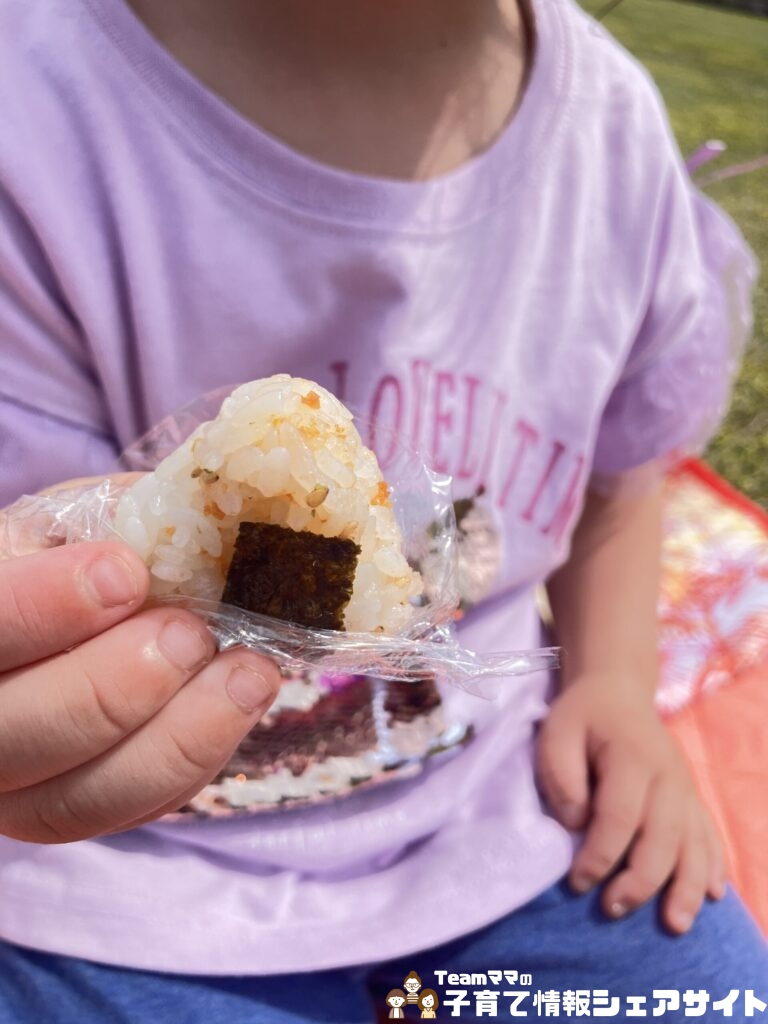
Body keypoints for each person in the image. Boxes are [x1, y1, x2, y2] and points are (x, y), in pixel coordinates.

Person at [0, 0, 765, 1020]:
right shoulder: (33, 110)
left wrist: (615, 686)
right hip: (119, 878)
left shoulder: (613, 133)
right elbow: (43, 563)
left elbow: (618, 484)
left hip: (505, 817)